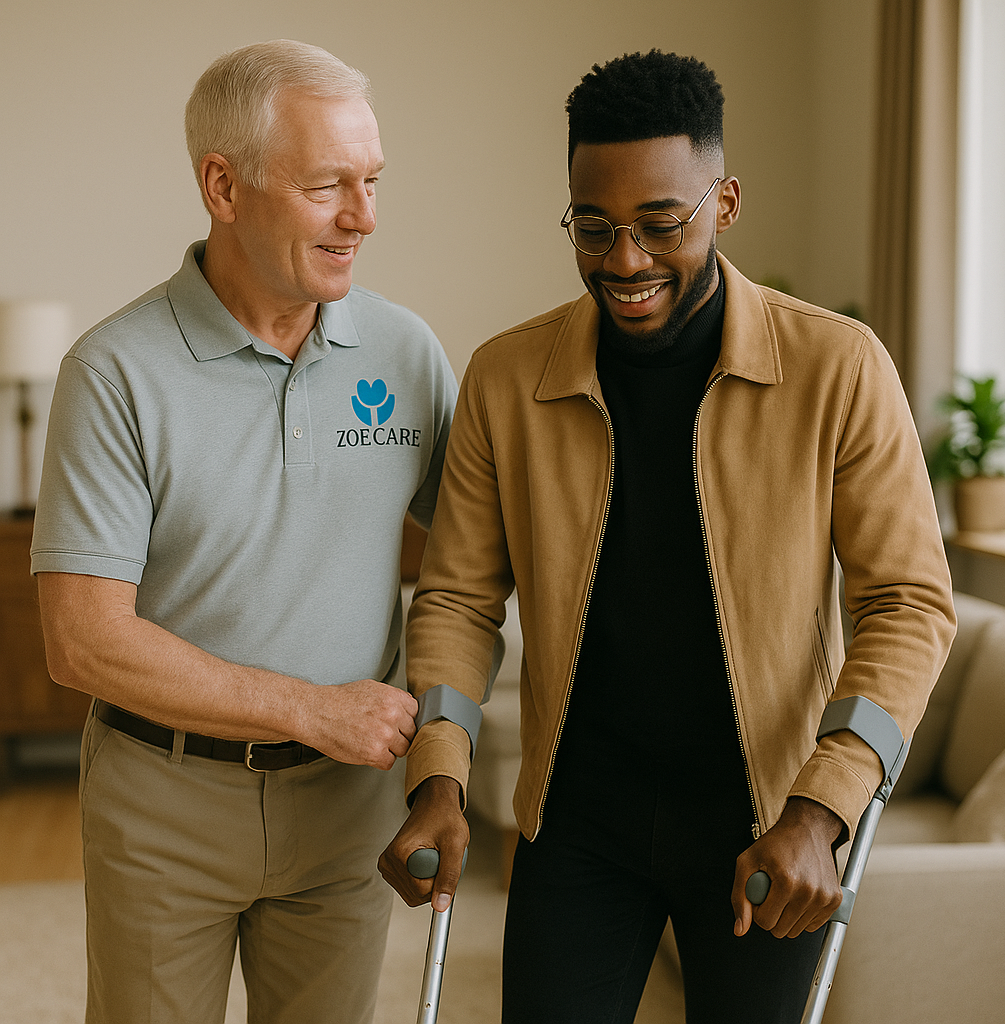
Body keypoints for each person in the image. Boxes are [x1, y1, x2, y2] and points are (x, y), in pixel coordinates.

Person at [379, 50, 956, 1024]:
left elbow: (907, 603)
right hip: (577, 821)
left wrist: (825, 806)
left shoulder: (839, 368)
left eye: (660, 223)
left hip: (767, 817)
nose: (625, 260)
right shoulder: (504, 379)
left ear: (723, 203)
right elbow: (458, 598)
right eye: (593, 226)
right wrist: (438, 773)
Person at [31, 39, 456, 1024]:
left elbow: (476, 570)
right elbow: (81, 640)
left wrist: (443, 759)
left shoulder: (406, 352)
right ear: (222, 186)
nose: (363, 215)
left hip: (349, 809)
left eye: (372, 181)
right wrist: (308, 708)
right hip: (163, 804)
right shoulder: (114, 372)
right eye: (326, 185)